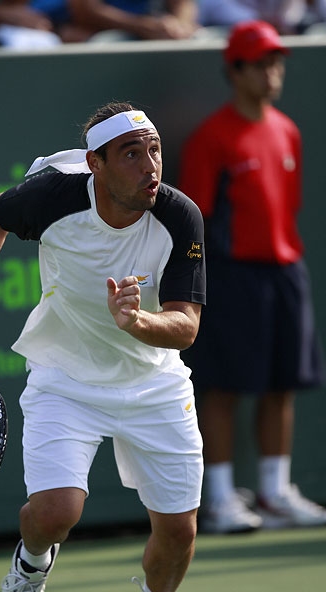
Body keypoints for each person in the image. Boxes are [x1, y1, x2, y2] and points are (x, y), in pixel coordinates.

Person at [0, 101, 206, 592]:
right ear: (95, 164)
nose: (150, 166)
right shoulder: (53, 198)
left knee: (179, 534)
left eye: (154, 150)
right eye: (131, 154)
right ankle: (30, 566)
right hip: (65, 378)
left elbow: (186, 326)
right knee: (54, 514)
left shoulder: (180, 216)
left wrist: (138, 321)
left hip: (155, 385)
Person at [179, 20, 326, 534]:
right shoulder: (211, 138)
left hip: (285, 271)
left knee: (282, 385)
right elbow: (196, 218)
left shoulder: (287, 131)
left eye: (276, 63)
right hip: (231, 275)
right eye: (261, 65)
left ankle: (275, 492)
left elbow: (289, 205)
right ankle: (219, 500)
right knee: (222, 389)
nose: (272, 73)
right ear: (235, 72)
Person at [66, 0, 199, 43]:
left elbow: (183, 4)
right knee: (102, 44)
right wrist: (141, 26)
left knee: (200, 40)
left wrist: (180, 26)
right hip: (112, 34)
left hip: (164, 34)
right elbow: (85, 9)